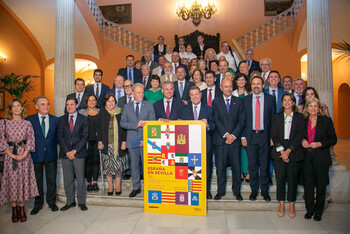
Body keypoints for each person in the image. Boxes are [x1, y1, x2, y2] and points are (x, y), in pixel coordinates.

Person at [0, 99, 38, 222]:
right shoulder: (4, 123)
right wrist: (11, 155)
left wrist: (24, 154)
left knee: (22, 181)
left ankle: (21, 208)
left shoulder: (27, 123)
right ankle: (14, 209)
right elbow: (2, 141)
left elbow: (31, 139)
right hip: (10, 157)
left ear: (22, 108)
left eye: (18, 106)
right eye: (14, 106)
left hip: (24, 156)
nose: (16, 108)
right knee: (12, 182)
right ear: (10, 109)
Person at [302, 98, 337, 221]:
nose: (313, 108)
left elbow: (333, 139)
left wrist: (320, 143)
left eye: (315, 106)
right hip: (307, 158)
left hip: (321, 158)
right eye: (310, 106)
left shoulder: (326, 121)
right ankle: (310, 210)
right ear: (307, 108)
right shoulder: (303, 121)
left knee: (321, 187)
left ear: (319, 108)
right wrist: (302, 140)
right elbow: (299, 135)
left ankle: (318, 212)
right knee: (308, 186)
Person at [242, 76, 276, 202]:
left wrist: (273, 137)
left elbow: (273, 120)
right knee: (252, 165)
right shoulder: (245, 100)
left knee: (264, 165)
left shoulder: (270, 99)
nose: (256, 86)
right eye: (254, 84)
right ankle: (254, 190)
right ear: (251, 86)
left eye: (258, 84)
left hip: (265, 136)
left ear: (263, 86)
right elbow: (243, 120)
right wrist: (243, 136)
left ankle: (265, 191)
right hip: (250, 136)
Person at [271, 93, 305, 218]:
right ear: (282, 103)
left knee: (292, 180)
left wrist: (288, 151)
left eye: (289, 100)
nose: (287, 102)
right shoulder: (277, 117)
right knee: (280, 179)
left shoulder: (299, 117)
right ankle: (281, 203)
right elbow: (274, 135)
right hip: (279, 152)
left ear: (293, 102)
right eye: (284, 100)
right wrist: (281, 151)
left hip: (294, 152)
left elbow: (299, 135)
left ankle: (291, 204)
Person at [120, 83, 156, 197]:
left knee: (147, 165)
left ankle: (149, 187)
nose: (141, 95)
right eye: (138, 93)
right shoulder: (127, 106)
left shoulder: (149, 105)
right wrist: (136, 124)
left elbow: (153, 122)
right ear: (133, 93)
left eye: (142, 92)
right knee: (134, 165)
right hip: (132, 140)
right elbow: (123, 123)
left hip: (145, 140)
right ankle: (136, 188)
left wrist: (146, 138)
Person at [213, 79, 245, 201]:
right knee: (220, 168)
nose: (228, 89)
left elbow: (242, 121)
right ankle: (220, 191)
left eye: (230, 86)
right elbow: (216, 119)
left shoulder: (239, 101)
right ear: (221, 88)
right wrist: (226, 135)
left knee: (237, 167)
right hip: (221, 141)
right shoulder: (216, 101)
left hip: (235, 141)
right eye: (226, 86)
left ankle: (237, 192)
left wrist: (233, 136)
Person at [181, 86, 215, 199]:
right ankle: (192, 190)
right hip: (190, 145)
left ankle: (206, 190)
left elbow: (215, 125)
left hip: (205, 143)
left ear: (200, 95)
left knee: (206, 168)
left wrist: (208, 125)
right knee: (191, 169)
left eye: (197, 94)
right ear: (189, 97)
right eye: (192, 95)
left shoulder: (209, 109)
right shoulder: (184, 110)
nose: (195, 97)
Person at [27, 96, 59, 215]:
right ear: (36, 106)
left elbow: (57, 137)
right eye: (43, 104)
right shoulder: (30, 120)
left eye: (47, 104)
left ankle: (51, 202)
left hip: (51, 153)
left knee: (51, 179)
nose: (46, 106)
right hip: (36, 154)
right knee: (37, 180)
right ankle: (38, 203)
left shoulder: (55, 120)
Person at [58, 97, 89, 211]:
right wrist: (67, 151)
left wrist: (74, 151)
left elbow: (85, 136)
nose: (69, 107)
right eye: (67, 105)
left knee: (80, 179)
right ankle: (70, 201)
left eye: (71, 104)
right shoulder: (61, 119)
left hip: (79, 153)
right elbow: (60, 136)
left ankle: (81, 202)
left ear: (77, 105)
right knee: (68, 179)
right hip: (66, 154)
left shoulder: (84, 119)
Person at [97, 94, 128, 196]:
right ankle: (110, 186)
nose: (111, 103)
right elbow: (99, 129)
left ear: (115, 102)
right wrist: (100, 141)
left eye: (113, 101)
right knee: (108, 167)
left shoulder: (120, 112)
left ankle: (118, 186)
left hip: (118, 144)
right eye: (108, 101)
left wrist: (124, 141)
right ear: (105, 103)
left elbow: (124, 128)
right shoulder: (102, 112)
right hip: (107, 144)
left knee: (118, 166)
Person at [79, 94, 100, 192]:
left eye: (94, 100)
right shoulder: (81, 113)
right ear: (86, 102)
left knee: (96, 161)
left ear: (96, 101)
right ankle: (88, 183)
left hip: (97, 141)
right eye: (90, 100)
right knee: (87, 162)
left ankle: (95, 182)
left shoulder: (100, 112)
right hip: (85, 141)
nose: (92, 102)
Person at [232, 73, 251, 183]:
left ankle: (247, 172)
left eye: (243, 80)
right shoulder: (233, 93)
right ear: (236, 81)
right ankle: (238, 172)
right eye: (239, 80)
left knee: (246, 149)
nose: (241, 82)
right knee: (236, 150)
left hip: (247, 124)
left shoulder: (250, 94)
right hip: (235, 125)